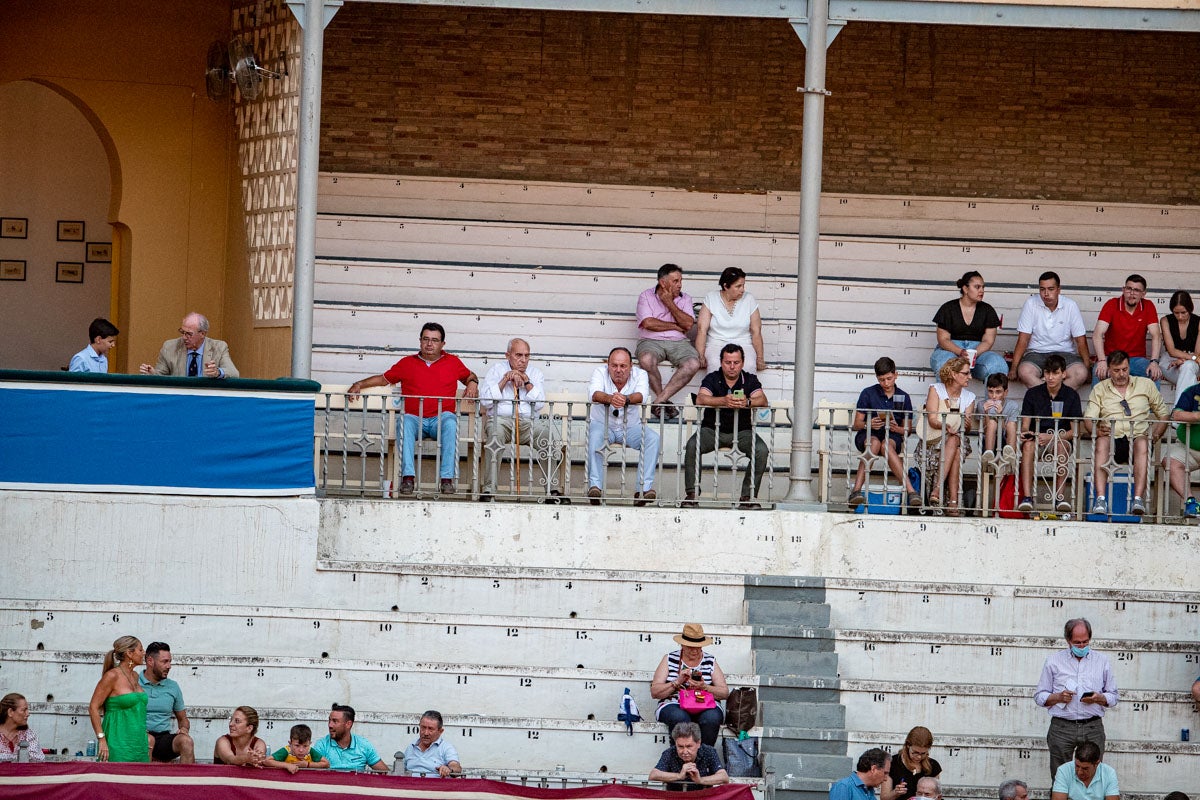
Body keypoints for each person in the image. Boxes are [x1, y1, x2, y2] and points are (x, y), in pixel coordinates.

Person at [347, 322, 479, 495]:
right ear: (420, 341)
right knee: (404, 421)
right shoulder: (407, 363)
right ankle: (407, 478)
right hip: (415, 418)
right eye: (426, 339)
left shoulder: (452, 362)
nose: (430, 344)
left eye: (434, 340)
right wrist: (359, 384)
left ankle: (447, 479)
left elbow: (470, 375)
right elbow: (383, 379)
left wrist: (472, 383)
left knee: (451, 422)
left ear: (442, 344)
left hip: (441, 418)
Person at [682, 344, 770, 509]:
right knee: (693, 445)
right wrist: (723, 400)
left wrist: (747, 402)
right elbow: (700, 399)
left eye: (736, 362)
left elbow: (762, 400)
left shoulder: (750, 379)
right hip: (711, 430)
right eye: (728, 362)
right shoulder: (712, 378)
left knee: (761, 450)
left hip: (742, 432)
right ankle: (691, 494)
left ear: (742, 363)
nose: (732, 366)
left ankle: (748, 496)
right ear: (721, 362)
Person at [1084, 350, 1169, 516]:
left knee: (1143, 442)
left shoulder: (1145, 384)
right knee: (1101, 442)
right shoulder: (1100, 388)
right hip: (1111, 439)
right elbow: (1089, 417)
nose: (1121, 374)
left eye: (1124, 369)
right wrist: (1095, 430)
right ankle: (1100, 499)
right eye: (1116, 370)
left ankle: (1138, 499)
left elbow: (1164, 413)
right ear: (1109, 370)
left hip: (1137, 438)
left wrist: (1156, 435)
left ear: (1129, 367)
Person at [478, 338, 563, 503]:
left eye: (526, 355)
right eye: (518, 355)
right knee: (495, 435)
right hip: (501, 420)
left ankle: (552, 490)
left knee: (548, 436)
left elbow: (539, 404)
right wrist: (504, 381)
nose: (523, 360)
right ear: (507, 355)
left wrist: (526, 381)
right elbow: (486, 402)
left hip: (528, 422)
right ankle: (489, 489)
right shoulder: (496, 370)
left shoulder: (536, 373)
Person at [1034, 618, 1119, 780]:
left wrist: (1099, 698)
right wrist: (1057, 697)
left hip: (1092, 725)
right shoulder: (1053, 661)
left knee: (1094, 777)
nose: (1082, 646)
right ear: (1068, 641)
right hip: (1062, 727)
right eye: (1077, 643)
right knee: (1060, 777)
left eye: (1085, 642)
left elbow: (1114, 696)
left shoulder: (1102, 661)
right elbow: (1039, 696)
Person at [587, 347, 660, 505]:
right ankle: (595, 487)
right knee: (594, 436)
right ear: (608, 365)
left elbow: (642, 395)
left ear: (630, 366)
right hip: (603, 424)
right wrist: (610, 398)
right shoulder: (599, 372)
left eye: (623, 366)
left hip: (630, 427)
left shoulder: (640, 374)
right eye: (614, 366)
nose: (618, 370)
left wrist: (625, 399)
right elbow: (594, 394)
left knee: (653, 439)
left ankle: (643, 489)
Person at [846, 357, 919, 510]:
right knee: (875, 443)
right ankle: (856, 491)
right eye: (881, 380)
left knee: (885, 445)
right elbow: (857, 424)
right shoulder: (868, 393)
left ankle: (911, 491)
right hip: (868, 434)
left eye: (889, 379)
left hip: (892, 436)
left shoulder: (904, 396)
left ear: (896, 375)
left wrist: (895, 428)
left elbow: (907, 430)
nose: (886, 383)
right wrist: (868, 423)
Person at [1017, 355, 1083, 514]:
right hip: (1037, 440)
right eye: (1047, 373)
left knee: (1062, 447)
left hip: (1060, 440)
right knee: (1027, 447)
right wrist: (1029, 434)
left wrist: (1052, 437)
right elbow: (1025, 426)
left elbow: (1075, 431)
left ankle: (1059, 497)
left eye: (1055, 373)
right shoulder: (1033, 394)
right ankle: (1027, 497)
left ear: (1064, 374)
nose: (1051, 377)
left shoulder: (1071, 395)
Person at [636, 263, 702, 420]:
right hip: (650, 340)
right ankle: (664, 402)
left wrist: (669, 303)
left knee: (693, 363)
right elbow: (648, 323)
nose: (680, 285)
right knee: (646, 359)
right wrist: (674, 325)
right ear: (662, 283)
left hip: (679, 342)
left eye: (680, 281)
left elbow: (687, 324)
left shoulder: (685, 298)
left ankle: (659, 401)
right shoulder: (646, 296)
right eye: (675, 281)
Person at [651, 623, 729, 747]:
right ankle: (680, 762)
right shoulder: (669, 658)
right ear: (682, 644)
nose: (695, 650)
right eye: (690, 646)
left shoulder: (710, 660)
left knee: (711, 718)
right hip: (674, 703)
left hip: (704, 704)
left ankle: (703, 760)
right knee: (680, 718)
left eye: (698, 647)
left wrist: (704, 687)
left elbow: (724, 693)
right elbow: (655, 692)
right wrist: (677, 682)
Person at [1010, 272, 1091, 389]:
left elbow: (1081, 341)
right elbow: (1023, 339)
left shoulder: (1070, 305)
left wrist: (1088, 369)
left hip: (1065, 353)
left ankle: (1048, 396)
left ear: (1059, 290)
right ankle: (1054, 397)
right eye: (1042, 289)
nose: (1046, 294)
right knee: (1024, 371)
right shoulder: (1031, 303)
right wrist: (1014, 368)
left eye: (1051, 289)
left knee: (1081, 373)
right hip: (1037, 353)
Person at [931, 270, 1007, 382]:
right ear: (965, 289)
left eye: (983, 287)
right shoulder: (948, 308)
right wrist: (960, 352)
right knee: (945, 363)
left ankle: (992, 400)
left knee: (997, 364)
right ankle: (946, 400)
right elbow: (943, 339)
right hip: (950, 350)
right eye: (977, 287)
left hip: (978, 353)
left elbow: (988, 341)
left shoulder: (988, 310)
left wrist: (972, 355)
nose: (981, 290)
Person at [921, 357, 975, 515]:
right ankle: (953, 502)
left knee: (955, 440)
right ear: (953, 373)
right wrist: (946, 426)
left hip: (957, 437)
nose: (969, 377)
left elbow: (967, 425)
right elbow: (932, 419)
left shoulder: (969, 397)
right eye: (965, 373)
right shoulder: (936, 389)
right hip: (935, 438)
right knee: (956, 450)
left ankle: (937, 490)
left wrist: (967, 425)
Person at [88, 635, 149, 763]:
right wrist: (101, 739)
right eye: (140, 650)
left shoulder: (135, 676)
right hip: (117, 741)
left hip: (139, 742)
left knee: (139, 780)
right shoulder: (112, 676)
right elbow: (93, 707)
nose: (143, 653)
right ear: (129, 653)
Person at [695, 267, 767, 374]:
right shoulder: (711, 298)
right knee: (715, 364)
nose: (742, 289)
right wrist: (700, 356)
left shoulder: (749, 299)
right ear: (726, 286)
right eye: (738, 286)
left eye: (743, 285)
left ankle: (744, 391)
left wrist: (760, 358)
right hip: (716, 343)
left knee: (749, 365)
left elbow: (756, 331)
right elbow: (702, 330)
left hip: (743, 344)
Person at [1093, 274, 1162, 383]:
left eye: (1137, 290)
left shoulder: (1148, 306)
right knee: (1098, 372)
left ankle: (1154, 401)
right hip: (1112, 357)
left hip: (1136, 359)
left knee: (1154, 374)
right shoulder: (1112, 304)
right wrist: (1102, 360)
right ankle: (1096, 401)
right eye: (1129, 289)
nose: (1131, 293)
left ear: (1143, 294)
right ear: (1123, 289)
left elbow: (1156, 336)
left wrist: (1154, 362)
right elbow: (1097, 334)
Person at [140, 641, 195, 763]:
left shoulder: (173, 686)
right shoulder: (134, 682)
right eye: (164, 661)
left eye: (170, 661)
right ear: (150, 661)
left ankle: (188, 781)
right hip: (139, 736)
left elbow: (183, 719)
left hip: (162, 737)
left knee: (186, 742)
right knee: (147, 741)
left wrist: (184, 729)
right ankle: (142, 781)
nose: (169, 666)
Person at [139, 312, 239, 378]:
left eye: (189, 334)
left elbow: (234, 373)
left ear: (202, 334)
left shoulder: (219, 347)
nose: (184, 337)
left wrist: (217, 372)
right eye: (182, 332)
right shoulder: (169, 347)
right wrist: (151, 374)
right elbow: (161, 376)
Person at [648, 721, 729, 790]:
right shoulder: (669, 753)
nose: (685, 751)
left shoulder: (709, 752)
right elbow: (653, 775)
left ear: (698, 743)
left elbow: (724, 777)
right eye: (680, 746)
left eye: (689, 746)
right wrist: (679, 776)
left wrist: (700, 780)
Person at [214, 706, 296, 772]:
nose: (231, 724)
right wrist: (247, 758)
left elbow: (259, 760)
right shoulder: (222, 741)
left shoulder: (259, 743)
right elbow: (230, 760)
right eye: (231, 720)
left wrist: (256, 759)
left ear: (249, 728)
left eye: (237, 721)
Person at [1161, 379, 1200, 518]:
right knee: (1170, 462)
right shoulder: (1192, 391)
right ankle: (1191, 502)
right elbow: (1176, 415)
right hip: (1188, 447)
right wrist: (1196, 416)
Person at [316, 703, 389, 773]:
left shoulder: (364, 745)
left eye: (335, 721)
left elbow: (385, 773)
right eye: (329, 720)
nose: (330, 725)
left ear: (348, 724)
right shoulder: (321, 745)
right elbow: (309, 772)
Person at [882, 726, 941, 800]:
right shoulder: (892, 763)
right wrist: (895, 793)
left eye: (923, 753)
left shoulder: (933, 766)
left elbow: (936, 796)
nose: (919, 757)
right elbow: (884, 798)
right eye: (915, 752)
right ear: (908, 745)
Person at [976, 373, 1021, 467]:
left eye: (998, 392)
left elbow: (1008, 431)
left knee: (1011, 424)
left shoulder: (1012, 405)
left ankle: (1011, 458)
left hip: (1006, 439)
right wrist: (986, 413)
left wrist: (1000, 415)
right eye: (990, 391)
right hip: (987, 440)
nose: (994, 396)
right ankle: (989, 457)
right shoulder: (982, 405)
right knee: (992, 423)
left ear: (1005, 392)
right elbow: (984, 429)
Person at [400, 710, 462, 777]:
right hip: (410, 785)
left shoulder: (446, 748)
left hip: (434, 786)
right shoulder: (411, 747)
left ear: (440, 731)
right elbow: (400, 771)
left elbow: (456, 767)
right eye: (423, 728)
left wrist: (449, 769)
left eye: (430, 729)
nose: (426, 733)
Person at [1159, 290, 1200, 390]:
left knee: (1188, 367)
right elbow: (1171, 351)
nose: (1180, 316)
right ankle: (1184, 405)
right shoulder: (1165, 321)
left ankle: (1180, 405)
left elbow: (1197, 352)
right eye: (1176, 313)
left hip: (1193, 363)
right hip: (1170, 361)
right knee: (1188, 374)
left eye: (1183, 312)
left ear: (1190, 309)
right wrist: (1190, 358)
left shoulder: (1198, 322)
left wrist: (1183, 360)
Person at [1050, 742, 1119, 800]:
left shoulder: (1109, 773)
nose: (1079, 772)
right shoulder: (1063, 770)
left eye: (1085, 768)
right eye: (1077, 766)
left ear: (1096, 764)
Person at [0, 693, 45, 763]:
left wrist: (6, 757)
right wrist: (19, 757)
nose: (28, 714)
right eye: (24, 710)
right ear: (10, 712)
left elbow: (38, 760)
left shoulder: (29, 735)